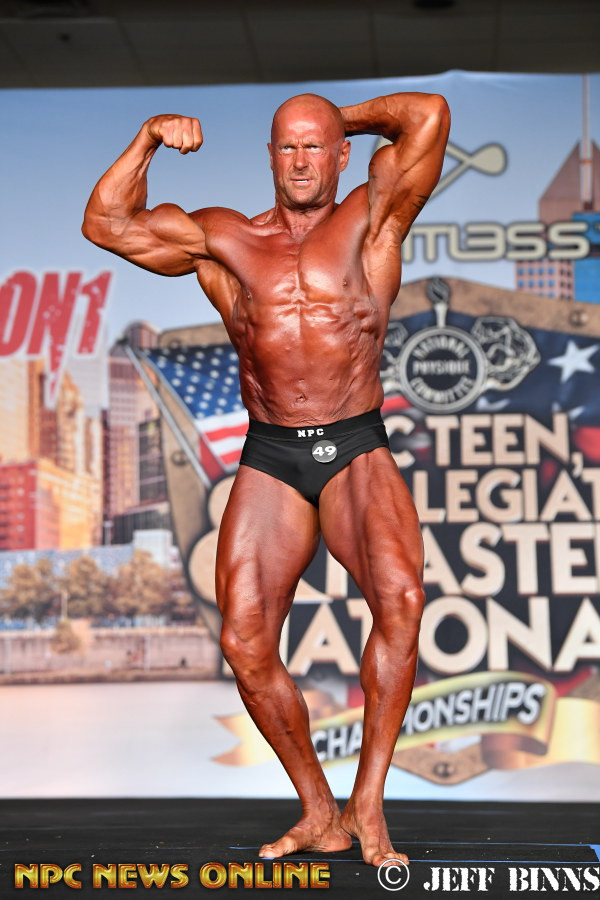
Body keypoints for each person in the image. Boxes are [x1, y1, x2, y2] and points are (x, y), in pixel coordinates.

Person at [82, 90, 450, 867]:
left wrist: (338, 116)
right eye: (288, 146)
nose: (301, 160)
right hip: (272, 451)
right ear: (270, 156)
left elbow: (428, 114)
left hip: (354, 444)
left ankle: (368, 802)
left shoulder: (373, 217)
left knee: (402, 600)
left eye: (316, 146)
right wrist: (147, 139)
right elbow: (106, 224)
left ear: (342, 154)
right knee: (245, 641)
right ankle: (319, 809)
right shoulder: (225, 238)